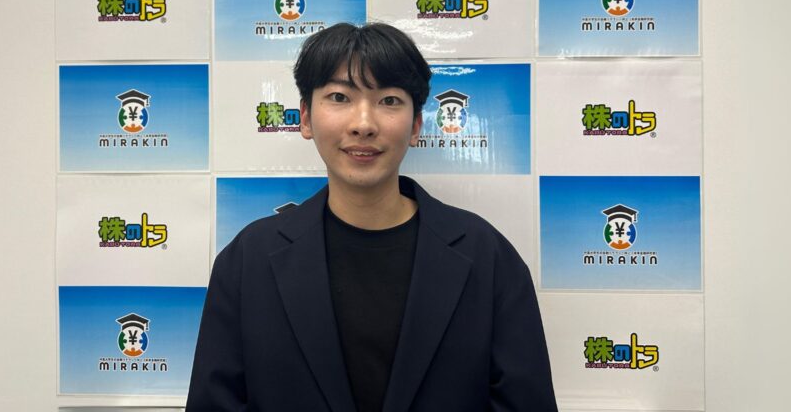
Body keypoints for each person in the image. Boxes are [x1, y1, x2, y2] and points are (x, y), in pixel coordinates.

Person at [186, 23, 557, 412]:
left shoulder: (486, 257)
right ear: (306, 118)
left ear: (416, 125)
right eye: (339, 97)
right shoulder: (248, 261)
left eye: (389, 100)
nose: (363, 124)